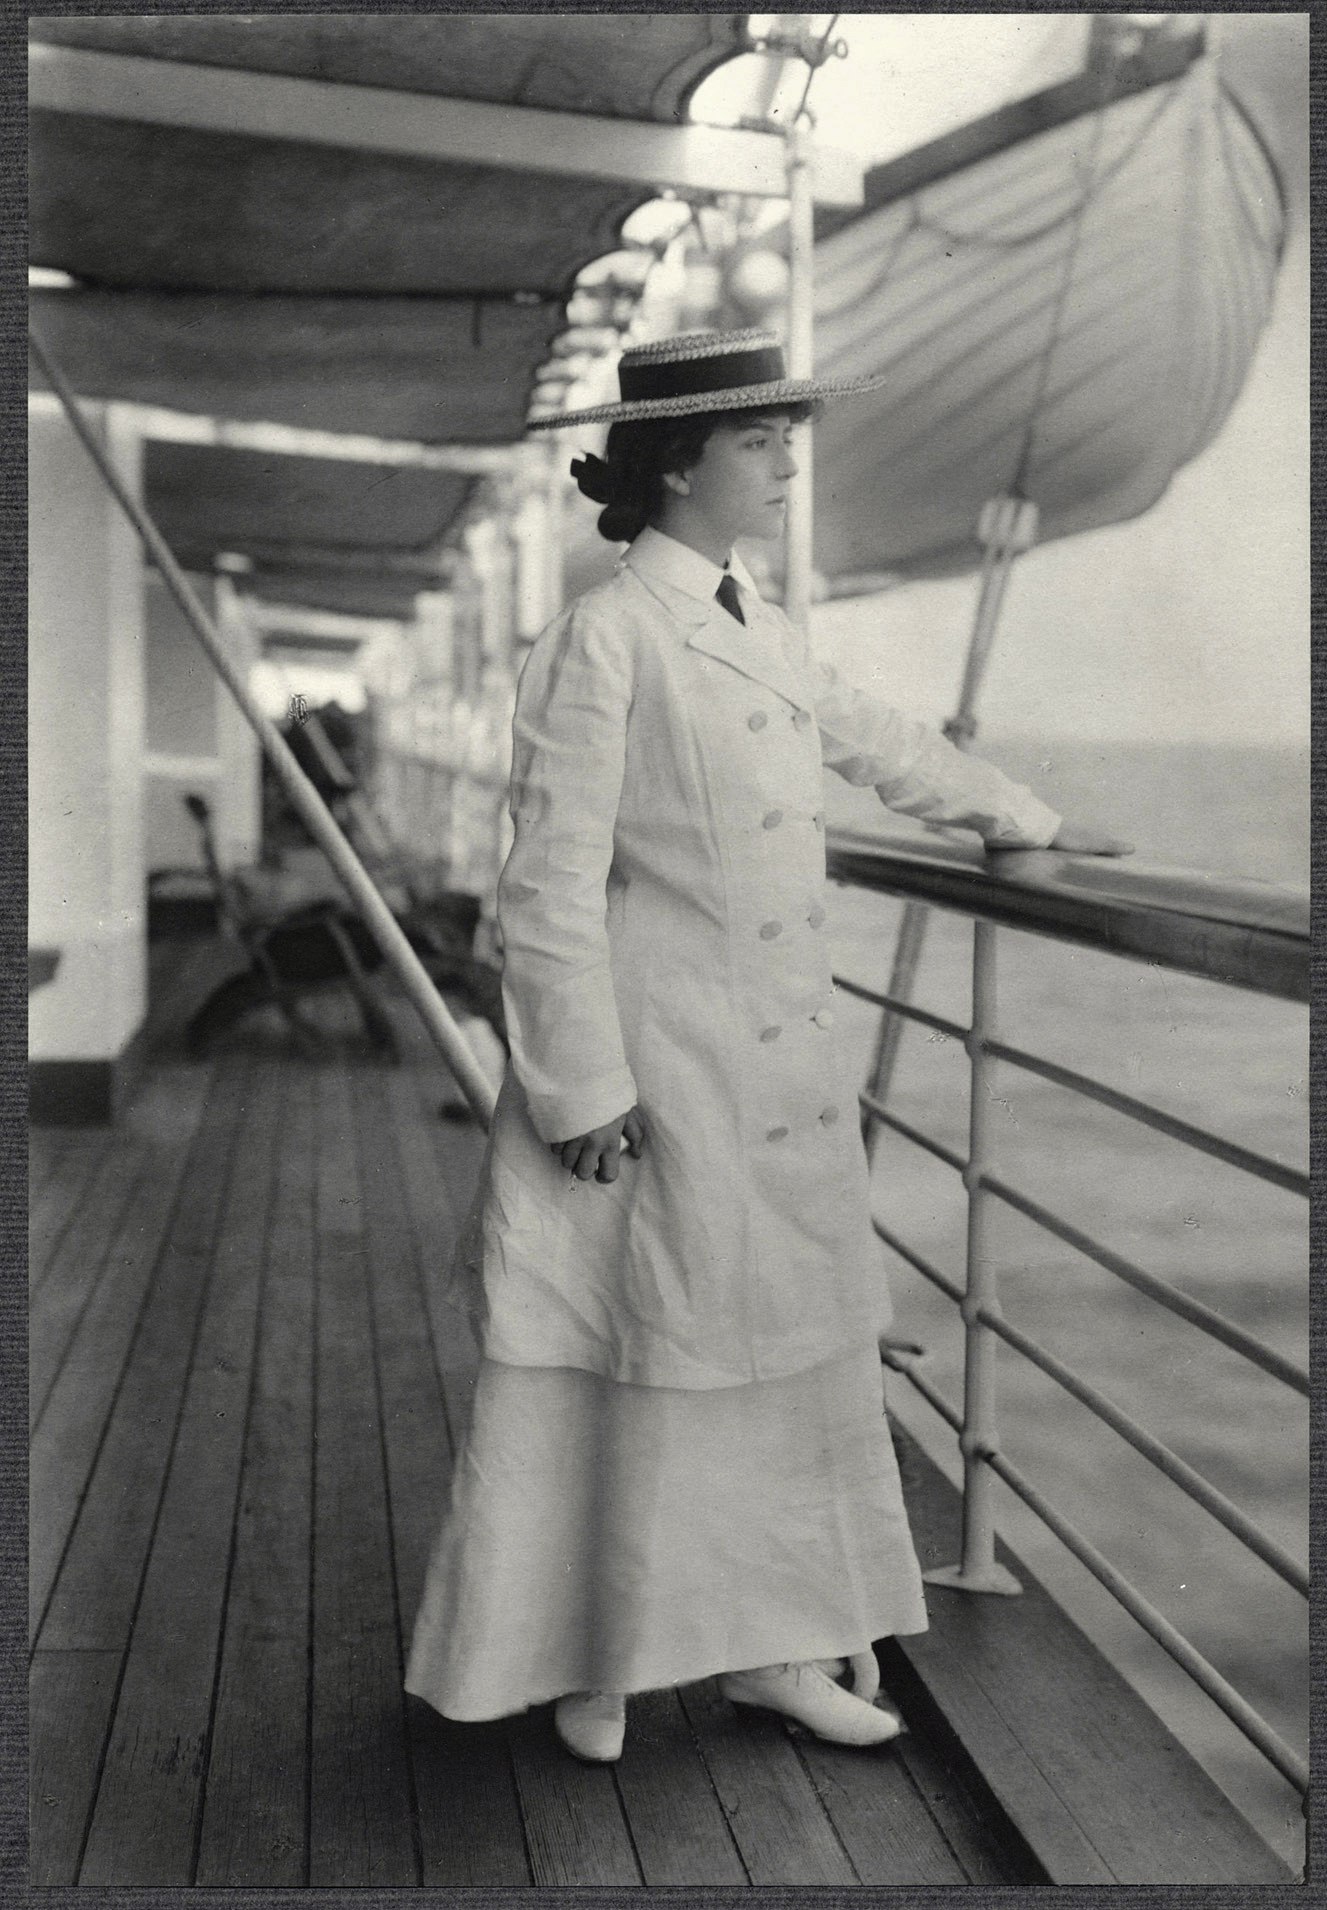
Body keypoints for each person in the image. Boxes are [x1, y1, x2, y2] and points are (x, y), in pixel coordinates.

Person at [405, 329, 1131, 1763]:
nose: (790, 461)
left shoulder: (758, 618)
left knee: (782, 1363)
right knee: (650, 1365)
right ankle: (593, 1659)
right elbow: (546, 887)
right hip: (660, 1066)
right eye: (763, 441)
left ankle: (775, 1650)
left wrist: (1022, 816)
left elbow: (871, 738)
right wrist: (581, 1086)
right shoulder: (602, 638)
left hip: (779, 1072)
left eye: (787, 436)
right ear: (681, 463)